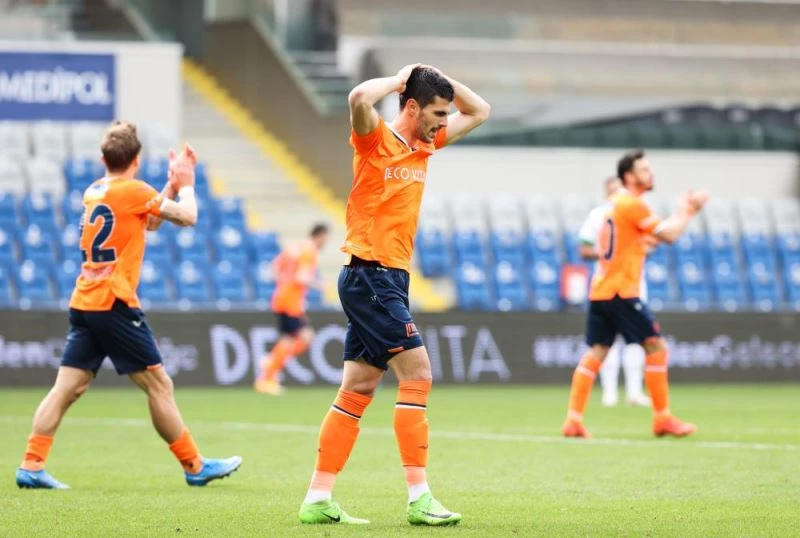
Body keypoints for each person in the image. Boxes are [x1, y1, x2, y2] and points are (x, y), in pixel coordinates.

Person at [297, 65, 490, 526]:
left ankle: (317, 498)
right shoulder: (375, 139)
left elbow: (480, 110)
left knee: (358, 388)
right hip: (371, 275)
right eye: (437, 113)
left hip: (388, 278)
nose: (443, 122)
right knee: (418, 373)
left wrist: (439, 77)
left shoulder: (426, 144)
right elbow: (358, 98)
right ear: (412, 106)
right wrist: (401, 79)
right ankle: (419, 497)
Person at [16, 121, 242, 489]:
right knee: (159, 385)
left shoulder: (94, 191)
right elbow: (188, 217)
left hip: (86, 300)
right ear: (136, 160)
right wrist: (186, 184)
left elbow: (148, 221)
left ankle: (31, 463)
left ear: (102, 158)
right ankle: (194, 465)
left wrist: (169, 186)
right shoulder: (133, 190)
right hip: (114, 303)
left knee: (67, 388)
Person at [562, 149, 708, 439]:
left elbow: (649, 238)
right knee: (656, 347)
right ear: (629, 176)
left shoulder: (615, 205)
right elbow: (669, 235)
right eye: (644, 170)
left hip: (602, 289)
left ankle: (573, 420)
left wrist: (677, 214)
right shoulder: (632, 204)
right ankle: (662, 418)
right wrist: (689, 210)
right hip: (622, 290)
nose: (650, 174)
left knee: (597, 351)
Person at [578, 176, 651, 408]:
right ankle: (609, 392)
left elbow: (649, 243)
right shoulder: (598, 215)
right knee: (607, 344)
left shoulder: (633, 212)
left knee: (635, 341)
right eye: (611, 190)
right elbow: (584, 249)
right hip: (609, 284)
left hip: (632, 283)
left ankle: (634, 391)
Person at [254, 223, 329, 395]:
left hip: (282, 297)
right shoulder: (309, 252)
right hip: (291, 301)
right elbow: (302, 278)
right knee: (296, 339)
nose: (325, 242)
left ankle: (271, 363)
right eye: (325, 238)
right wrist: (320, 285)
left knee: (299, 338)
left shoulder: (295, 247)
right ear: (319, 236)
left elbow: (273, 269)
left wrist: (283, 284)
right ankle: (268, 375)